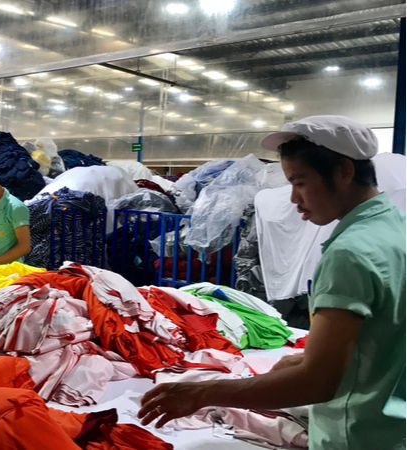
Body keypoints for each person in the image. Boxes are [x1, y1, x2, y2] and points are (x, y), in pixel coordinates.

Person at [138, 115, 406, 449]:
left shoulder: (350, 253)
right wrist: (312, 356)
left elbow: (317, 384)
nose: (294, 199)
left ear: (344, 171)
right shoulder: (394, 227)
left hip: (356, 435)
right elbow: (387, 330)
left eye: (300, 182)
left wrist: (203, 392)